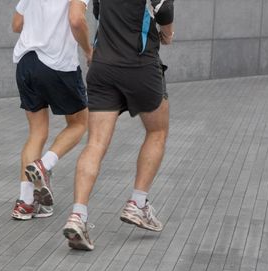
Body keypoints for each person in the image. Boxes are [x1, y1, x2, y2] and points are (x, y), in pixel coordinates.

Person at [63, 0, 175, 250]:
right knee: (157, 131)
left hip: (103, 65)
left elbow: (97, 13)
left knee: (95, 143)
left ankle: (78, 216)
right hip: (140, 65)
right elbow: (164, 9)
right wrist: (168, 34)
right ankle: (137, 203)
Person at [11, 0, 93, 220]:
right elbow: (77, 20)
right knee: (79, 123)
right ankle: (43, 165)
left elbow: (17, 24)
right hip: (58, 64)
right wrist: (89, 50)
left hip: (25, 62)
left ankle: (25, 203)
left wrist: (40, 23)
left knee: (36, 133)